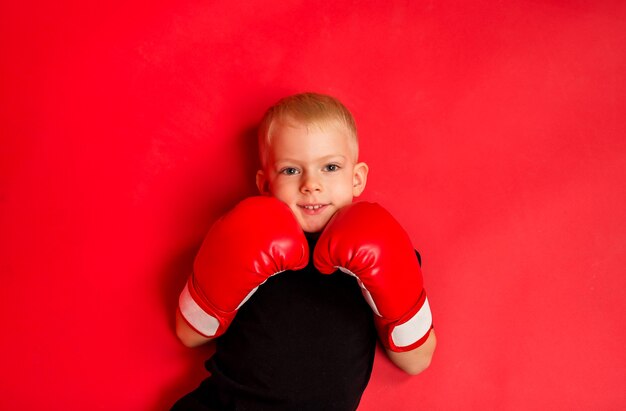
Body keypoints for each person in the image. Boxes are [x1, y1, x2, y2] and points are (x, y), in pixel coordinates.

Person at [171, 93, 437, 410]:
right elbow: (189, 335)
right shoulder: (245, 234)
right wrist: (236, 250)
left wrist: (391, 269)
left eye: (330, 167)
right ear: (265, 184)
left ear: (357, 178)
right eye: (291, 171)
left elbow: (416, 361)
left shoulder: (385, 247)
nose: (311, 184)